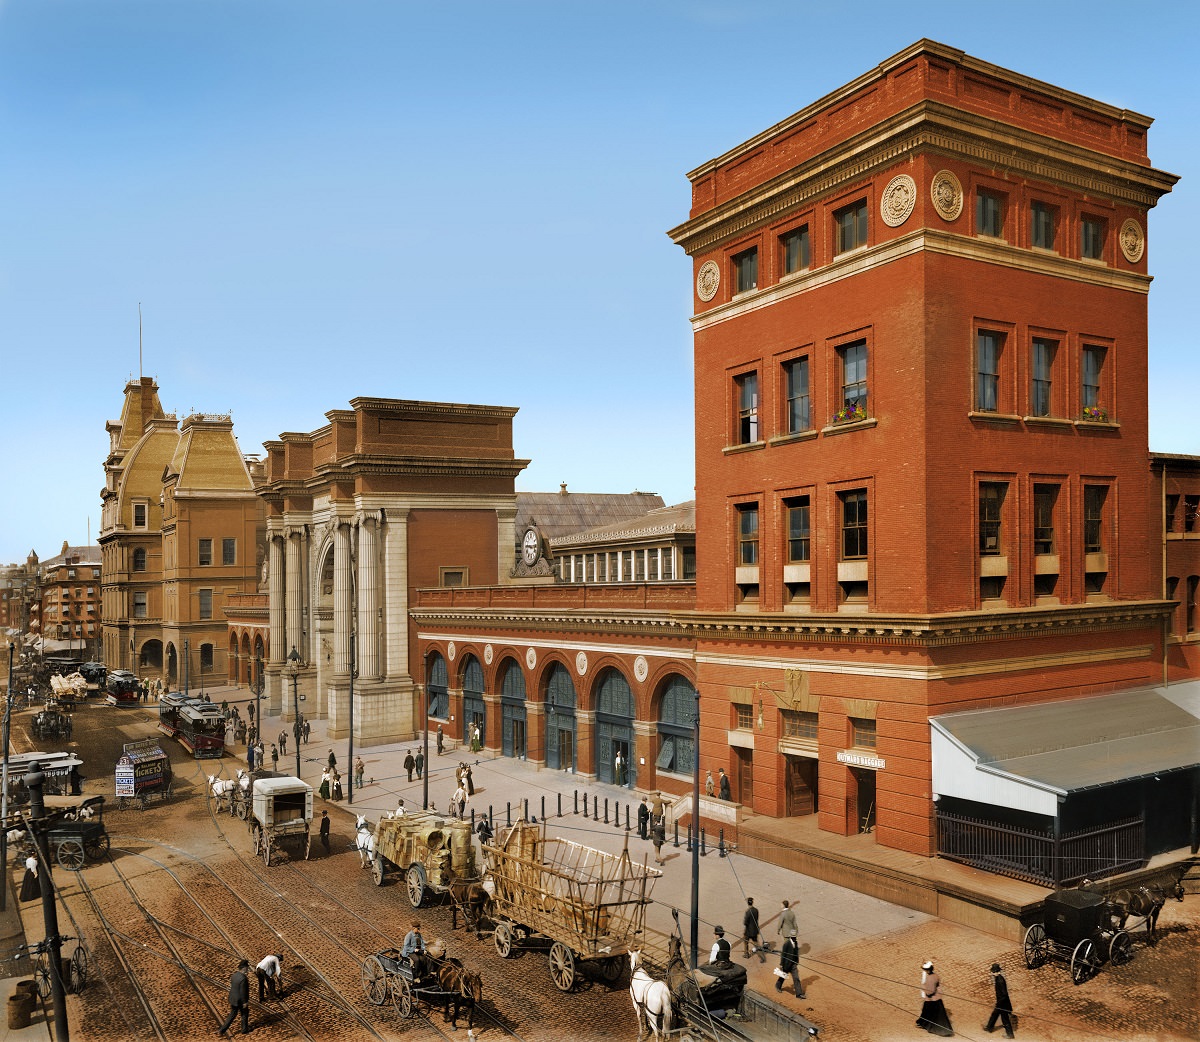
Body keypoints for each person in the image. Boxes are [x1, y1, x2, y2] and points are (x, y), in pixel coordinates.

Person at [917, 960, 954, 1036]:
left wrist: (923, 988)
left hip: (932, 1000)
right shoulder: (935, 975)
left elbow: (929, 992)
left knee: (930, 1013)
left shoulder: (930, 978)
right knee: (927, 1012)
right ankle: (923, 1023)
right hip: (937, 998)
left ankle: (929, 1026)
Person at [217, 959, 251, 1036]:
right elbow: (243, 991)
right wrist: (245, 1002)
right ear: (244, 968)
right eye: (247, 968)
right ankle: (244, 1029)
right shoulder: (243, 978)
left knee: (232, 1014)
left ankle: (222, 1030)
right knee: (245, 1013)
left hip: (233, 998)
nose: (248, 969)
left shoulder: (234, 975)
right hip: (240, 1000)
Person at [984, 962, 1015, 1038]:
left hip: (1002, 1003)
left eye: (992, 972)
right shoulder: (998, 978)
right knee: (994, 1014)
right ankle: (989, 1027)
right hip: (1000, 1002)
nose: (991, 973)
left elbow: (1004, 994)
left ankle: (1010, 1034)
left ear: (995, 972)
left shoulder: (1000, 981)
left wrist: (999, 1003)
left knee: (1005, 1019)